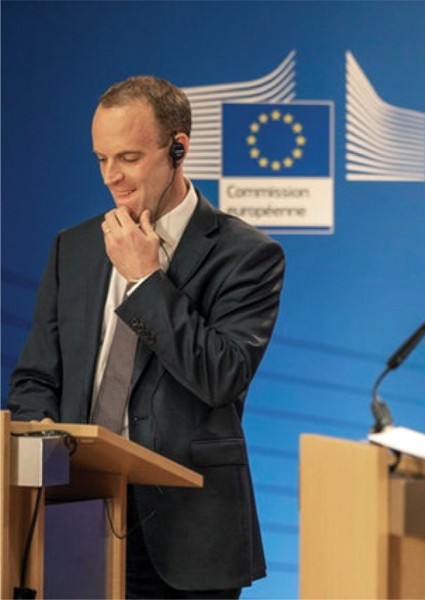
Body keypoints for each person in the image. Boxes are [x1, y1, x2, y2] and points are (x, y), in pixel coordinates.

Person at [8, 75, 285, 598]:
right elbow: (36, 374)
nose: (113, 176)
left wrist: (143, 281)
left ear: (178, 148)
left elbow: (221, 376)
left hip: (187, 537)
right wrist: (38, 429)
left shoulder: (246, 255)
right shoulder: (74, 247)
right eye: (101, 159)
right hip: (74, 517)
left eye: (129, 158)